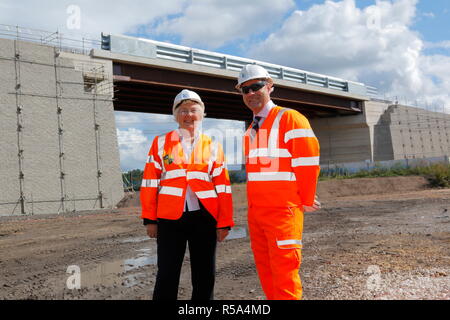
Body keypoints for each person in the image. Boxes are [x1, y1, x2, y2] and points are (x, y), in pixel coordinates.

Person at [236, 64, 321, 300]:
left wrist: (305, 198)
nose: (251, 93)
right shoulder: (251, 132)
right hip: (257, 215)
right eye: (245, 90)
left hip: (283, 213)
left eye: (256, 86)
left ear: (270, 86)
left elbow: (308, 161)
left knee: (284, 278)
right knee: (267, 276)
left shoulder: (289, 118)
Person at [140, 89, 234, 300]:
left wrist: (224, 222)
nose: (188, 115)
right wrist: (150, 219)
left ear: (202, 114)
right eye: (182, 110)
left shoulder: (213, 146)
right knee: (166, 274)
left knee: (204, 275)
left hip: (205, 218)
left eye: (193, 110)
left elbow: (223, 187)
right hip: (169, 219)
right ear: (175, 115)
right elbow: (149, 183)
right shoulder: (160, 143)